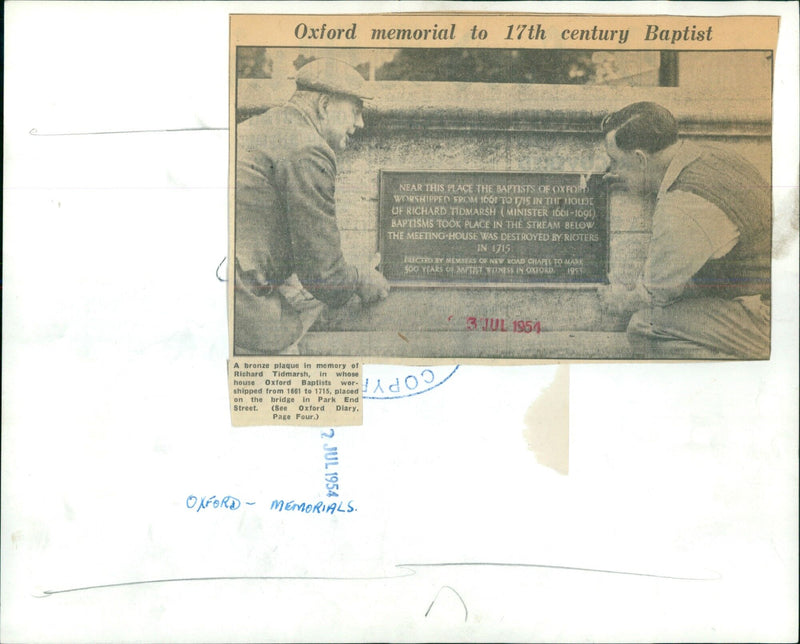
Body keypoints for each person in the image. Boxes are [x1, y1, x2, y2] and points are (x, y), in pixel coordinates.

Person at [234, 58, 390, 355]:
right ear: (324, 105)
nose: (360, 123)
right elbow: (324, 277)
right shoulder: (310, 149)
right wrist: (360, 277)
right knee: (288, 363)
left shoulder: (258, 126)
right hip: (241, 302)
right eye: (355, 111)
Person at [599, 101, 771, 359]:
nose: (612, 171)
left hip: (768, 318)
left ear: (639, 159)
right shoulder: (713, 156)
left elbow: (654, 295)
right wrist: (631, 177)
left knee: (644, 326)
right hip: (774, 294)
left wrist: (617, 301)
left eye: (616, 162)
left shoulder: (683, 207)